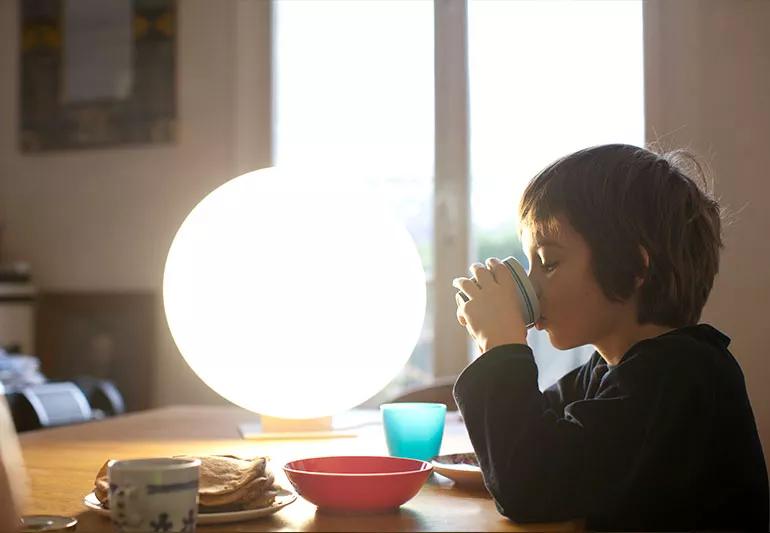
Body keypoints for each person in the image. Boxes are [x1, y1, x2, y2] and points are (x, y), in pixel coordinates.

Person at [452, 144, 768, 531]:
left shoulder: (683, 376)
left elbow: (530, 486)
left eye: (549, 262)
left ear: (633, 266)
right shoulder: (609, 367)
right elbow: (528, 439)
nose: (532, 287)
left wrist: (500, 345)